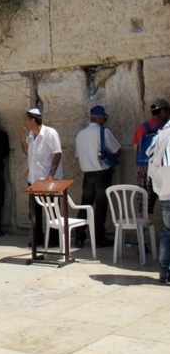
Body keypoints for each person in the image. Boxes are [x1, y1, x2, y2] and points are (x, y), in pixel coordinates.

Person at [75, 106, 121, 248]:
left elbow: (78, 155)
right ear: (101, 118)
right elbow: (117, 150)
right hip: (102, 174)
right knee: (101, 206)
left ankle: (79, 236)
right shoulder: (104, 132)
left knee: (85, 205)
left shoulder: (80, 135)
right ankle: (99, 237)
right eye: (104, 118)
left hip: (87, 175)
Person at [20, 108, 63, 246]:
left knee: (52, 211)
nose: (24, 123)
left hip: (48, 180)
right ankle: (38, 238)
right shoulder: (31, 136)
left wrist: (52, 173)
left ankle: (55, 239)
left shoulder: (50, 133)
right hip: (34, 180)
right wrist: (22, 140)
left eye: (26, 120)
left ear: (33, 120)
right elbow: (29, 153)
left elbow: (57, 153)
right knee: (34, 212)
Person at [133, 99, 170, 216]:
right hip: (162, 173)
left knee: (142, 209)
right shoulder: (166, 129)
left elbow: (136, 151)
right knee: (167, 206)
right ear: (163, 111)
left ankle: (140, 234)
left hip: (144, 172)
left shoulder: (141, 128)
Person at [147, 120, 170, 283]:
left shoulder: (160, 136)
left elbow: (151, 166)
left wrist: (160, 188)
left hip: (164, 194)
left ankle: (163, 271)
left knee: (167, 232)